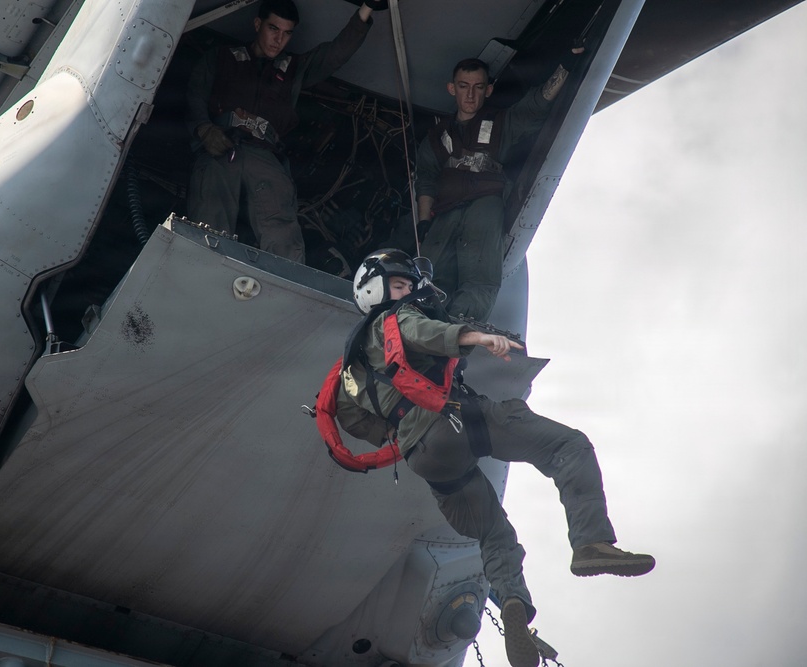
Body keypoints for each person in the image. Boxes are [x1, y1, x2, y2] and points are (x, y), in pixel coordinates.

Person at [329, 249, 655, 667]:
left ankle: (514, 607)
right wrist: (477, 338)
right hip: (455, 422)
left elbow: (353, 420)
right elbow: (422, 331)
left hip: (424, 458)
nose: (407, 291)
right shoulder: (395, 319)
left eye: (409, 285)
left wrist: (402, 428)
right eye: (398, 284)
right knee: (568, 446)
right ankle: (591, 542)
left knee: (493, 535)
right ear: (373, 289)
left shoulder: (348, 370)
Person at [186, 0, 382, 263]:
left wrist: (367, 8)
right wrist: (204, 129)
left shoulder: (293, 68)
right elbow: (194, 96)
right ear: (257, 24)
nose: (279, 40)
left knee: (281, 230)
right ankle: (200, 274)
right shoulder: (221, 57)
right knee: (208, 221)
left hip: (264, 154)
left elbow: (335, 53)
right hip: (220, 145)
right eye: (273, 29)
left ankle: (281, 289)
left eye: (287, 33)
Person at [414, 54, 579, 320]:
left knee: (480, 276)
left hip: (486, 204)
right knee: (428, 273)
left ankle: (461, 330)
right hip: (445, 210)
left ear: (488, 90)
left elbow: (536, 105)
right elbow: (426, 179)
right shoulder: (437, 137)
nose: (470, 95)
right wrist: (424, 222)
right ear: (451, 88)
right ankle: (420, 326)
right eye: (463, 86)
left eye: (478, 87)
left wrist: (568, 66)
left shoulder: (501, 124)